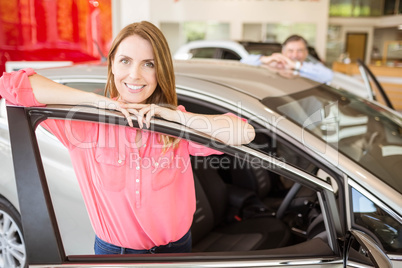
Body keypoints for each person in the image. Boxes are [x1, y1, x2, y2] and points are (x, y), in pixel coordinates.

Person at [0, 21, 255, 255]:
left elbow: (244, 132)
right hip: (115, 255)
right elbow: (10, 84)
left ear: (160, 72)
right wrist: (97, 102)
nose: (135, 75)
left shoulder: (174, 125)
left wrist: (177, 118)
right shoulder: (85, 122)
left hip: (176, 251)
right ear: (111, 65)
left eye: (149, 64)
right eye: (125, 61)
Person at [241, 35, 333, 84]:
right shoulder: (274, 64)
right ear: (283, 51)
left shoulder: (310, 69)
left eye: (300, 50)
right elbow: (242, 63)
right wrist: (263, 59)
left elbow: (328, 76)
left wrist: (296, 66)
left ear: (306, 53)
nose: (295, 55)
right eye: (290, 50)